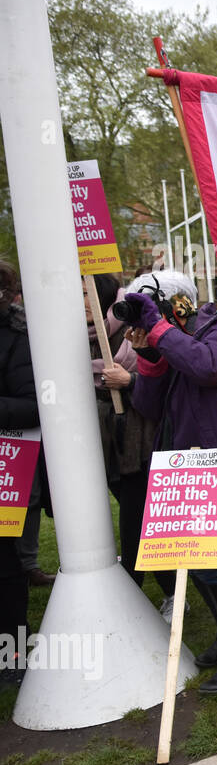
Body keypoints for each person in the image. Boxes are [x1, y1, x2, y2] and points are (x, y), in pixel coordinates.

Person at [122, 270, 217, 693]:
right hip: (183, 462)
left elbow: (206, 368)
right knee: (193, 555)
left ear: (176, 302)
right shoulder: (170, 341)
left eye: (147, 306)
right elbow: (147, 405)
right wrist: (150, 358)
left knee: (210, 559)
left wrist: (159, 330)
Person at [84, 274, 176, 605]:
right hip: (105, 434)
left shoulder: (133, 323)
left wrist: (129, 380)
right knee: (138, 516)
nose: (81, 303)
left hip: (141, 431)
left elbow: (164, 376)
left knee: (135, 518)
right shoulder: (78, 334)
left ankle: (131, 598)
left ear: (104, 296)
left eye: (86, 294)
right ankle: (170, 589)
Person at [0, 261, 38, 685]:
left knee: (5, 568)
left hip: (4, 467)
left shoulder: (15, 339)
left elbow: (31, 405)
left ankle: (10, 657)